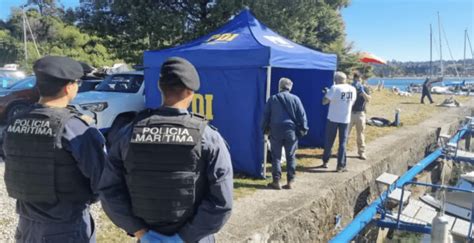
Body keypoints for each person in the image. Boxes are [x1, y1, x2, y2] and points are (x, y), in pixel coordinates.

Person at [99, 57, 233, 242]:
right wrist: (184, 237)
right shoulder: (208, 137)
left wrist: (140, 232)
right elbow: (221, 202)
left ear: (160, 88)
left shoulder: (128, 133)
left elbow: (109, 190)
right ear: (190, 93)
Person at [2, 56, 107, 242]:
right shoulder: (75, 128)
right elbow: (102, 179)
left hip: (26, 226)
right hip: (66, 227)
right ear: (69, 87)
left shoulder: (15, 123)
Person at [262, 78, 308, 190]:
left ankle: (276, 181)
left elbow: (266, 116)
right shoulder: (295, 99)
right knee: (291, 156)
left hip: (276, 130)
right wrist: (303, 129)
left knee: (276, 157)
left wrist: (265, 130)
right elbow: (302, 115)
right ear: (290, 87)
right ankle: (290, 181)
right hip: (290, 130)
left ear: (279, 86)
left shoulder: (272, 99)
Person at [322, 71, 356, 172]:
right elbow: (352, 102)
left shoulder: (334, 88)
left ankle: (325, 161)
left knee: (329, 141)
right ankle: (341, 165)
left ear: (336, 80)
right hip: (345, 119)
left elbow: (324, 102)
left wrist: (326, 93)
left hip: (333, 118)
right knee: (343, 143)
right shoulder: (352, 89)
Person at [349, 73, 371, 160]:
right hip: (350, 113)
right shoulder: (350, 88)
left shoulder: (365, 88)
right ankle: (341, 152)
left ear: (361, 80)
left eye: (359, 80)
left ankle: (362, 152)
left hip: (360, 113)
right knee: (345, 134)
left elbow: (368, 99)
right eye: (355, 80)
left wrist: (363, 93)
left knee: (360, 134)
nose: (357, 81)